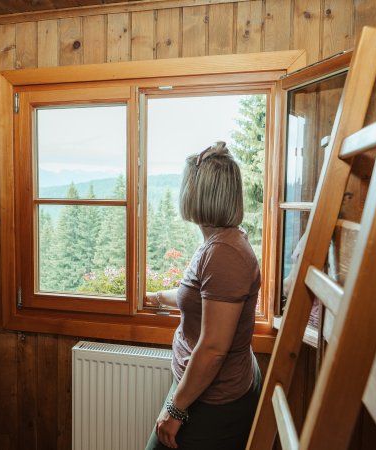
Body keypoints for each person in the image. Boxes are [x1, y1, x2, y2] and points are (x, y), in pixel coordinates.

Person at [145, 141, 262, 450]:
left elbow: (213, 348)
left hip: (213, 397)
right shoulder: (218, 241)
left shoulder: (224, 253)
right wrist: (157, 297)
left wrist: (175, 409)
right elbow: (198, 298)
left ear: (198, 194)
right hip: (200, 388)